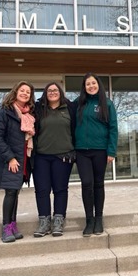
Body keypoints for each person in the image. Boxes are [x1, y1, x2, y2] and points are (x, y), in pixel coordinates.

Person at [0, 81, 36, 243]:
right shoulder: (3, 113)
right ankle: (6, 228)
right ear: (15, 92)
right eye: (22, 90)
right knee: (10, 192)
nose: (25, 93)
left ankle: (13, 224)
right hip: (10, 160)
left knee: (15, 192)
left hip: (23, 158)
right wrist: (10, 157)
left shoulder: (27, 115)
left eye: (28, 92)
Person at [74, 72, 118, 237]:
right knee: (87, 183)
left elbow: (113, 128)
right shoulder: (79, 103)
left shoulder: (107, 104)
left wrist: (111, 150)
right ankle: (89, 220)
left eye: (93, 83)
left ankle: (99, 219)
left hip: (100, 151)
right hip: (81, 151)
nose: (91, 86)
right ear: (84, 87)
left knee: (98, 184)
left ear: (98, 85)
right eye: (87, 84)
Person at [31, 82, 76, 237]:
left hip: (63, 156)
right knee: (42, 190)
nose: (52, 92)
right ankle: (44, 222)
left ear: (60, 92)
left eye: (55, 90)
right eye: (49, 90)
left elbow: (76, 129)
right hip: (41, 156)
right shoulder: (38, 109)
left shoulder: (69, 108)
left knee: (60, 189)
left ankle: (58, 220)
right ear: (45, 93)